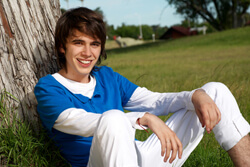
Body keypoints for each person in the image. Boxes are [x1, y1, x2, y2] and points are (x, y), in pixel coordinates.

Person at [34, 7, 250, 167]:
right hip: (98, 163)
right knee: (112, 118)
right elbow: (82, 123)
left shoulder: (107, 77)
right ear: (62, 47)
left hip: (139, 156)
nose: (88, 53)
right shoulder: (48, 88)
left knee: (214, 91)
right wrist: (142, 118)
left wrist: (194, 95)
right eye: (78, 43)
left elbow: (154, 100)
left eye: (95, 44)